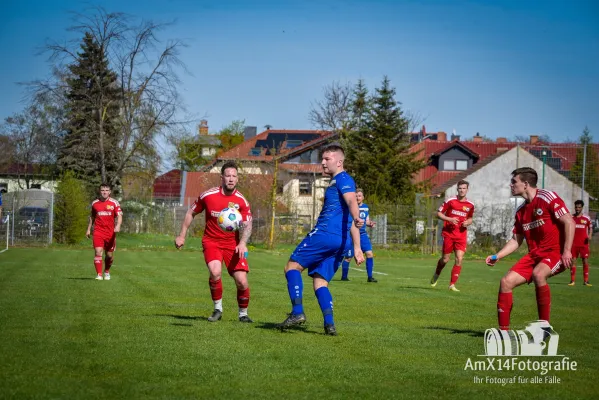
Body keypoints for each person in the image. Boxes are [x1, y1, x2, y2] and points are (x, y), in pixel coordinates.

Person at [278, 144, 365, 336]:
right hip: (341, 242)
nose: (323, 163)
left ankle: (297, 312)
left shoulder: (343, 179)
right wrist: (357, 247)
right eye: (322, 159)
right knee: (320, 282)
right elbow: (349, 219)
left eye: (327, 159)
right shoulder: (336, 182)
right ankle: (329, 324)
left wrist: (358, 216)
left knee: (291, 268)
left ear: (339, 162)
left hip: (324, 235)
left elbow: (352, 201)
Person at [486, 167, 574, 330]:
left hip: (556, 253)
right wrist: (498, 255)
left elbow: (569, 221)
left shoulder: (547, 197)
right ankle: (503, 332)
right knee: (506, 282)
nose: (510, 185)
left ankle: (544, 327)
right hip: (535, 256)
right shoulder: (520, 211)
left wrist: (567, 250)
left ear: (525, 184)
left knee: (538, 274)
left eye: (514, 182)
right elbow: (516, 240)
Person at [175, 161, 254, 323]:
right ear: (222, 178)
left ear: (237, 179)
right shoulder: (208, 195)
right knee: (215, 272)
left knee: (242, 281)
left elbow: (247, 224)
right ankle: (218, 309)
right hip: (211, 242)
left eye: (234, 176)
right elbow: (191, 212)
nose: (231, 179)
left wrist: (243, 243)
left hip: (233, 245)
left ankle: (243, 314)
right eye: (228, 176)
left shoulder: (241, 201)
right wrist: (182, 235)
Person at [430, 180, 475, 292]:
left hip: (461, 235)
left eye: (464, 188)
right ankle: (437, 273)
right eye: (460, 188)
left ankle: (452, 285)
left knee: (459, 259)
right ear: (457, 189)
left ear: (467, 189)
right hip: (449, 234)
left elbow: (470, 218)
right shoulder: (450, 201)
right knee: (445, 259)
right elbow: (439, 213)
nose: (462, 190)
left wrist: (468, 222)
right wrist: (449, 219)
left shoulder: (470, 205)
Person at [86, 183, 123, 280]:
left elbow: (119, 216)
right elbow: (92, 217)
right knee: (98, 252)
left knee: (109, 255)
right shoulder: (95, 203)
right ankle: (99, 274)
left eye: (106, 190)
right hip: (98, 231)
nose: (104, 192)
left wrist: (118, 226)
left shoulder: (114, 203)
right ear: (100, 191)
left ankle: (106, 271)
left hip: (110, 233)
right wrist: (89, 229)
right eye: (102, 190)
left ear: (110, 192)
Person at [340, 188, 378, 282]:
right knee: (348, 257)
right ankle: (344, 277)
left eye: (359, 196)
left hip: (363, 235)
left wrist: (370, 223)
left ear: (363, 197)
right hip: (351, 235)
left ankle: (370, 277)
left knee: (369, 254)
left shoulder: (365, 207)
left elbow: (366, 220)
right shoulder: (351, 207)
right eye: (356, 196)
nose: (357, 197)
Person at [568, 200, 592, 287]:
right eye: (576, 207)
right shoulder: (571, 217)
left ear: (582, 208)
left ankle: (586, 281)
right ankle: (572, 280)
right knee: (573, 262)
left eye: (579, 207)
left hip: (584, 244)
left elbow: (590, 228)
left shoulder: (586, 218)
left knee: (585, 261)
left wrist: (589, 235)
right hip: (573, 244)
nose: (577, 209)